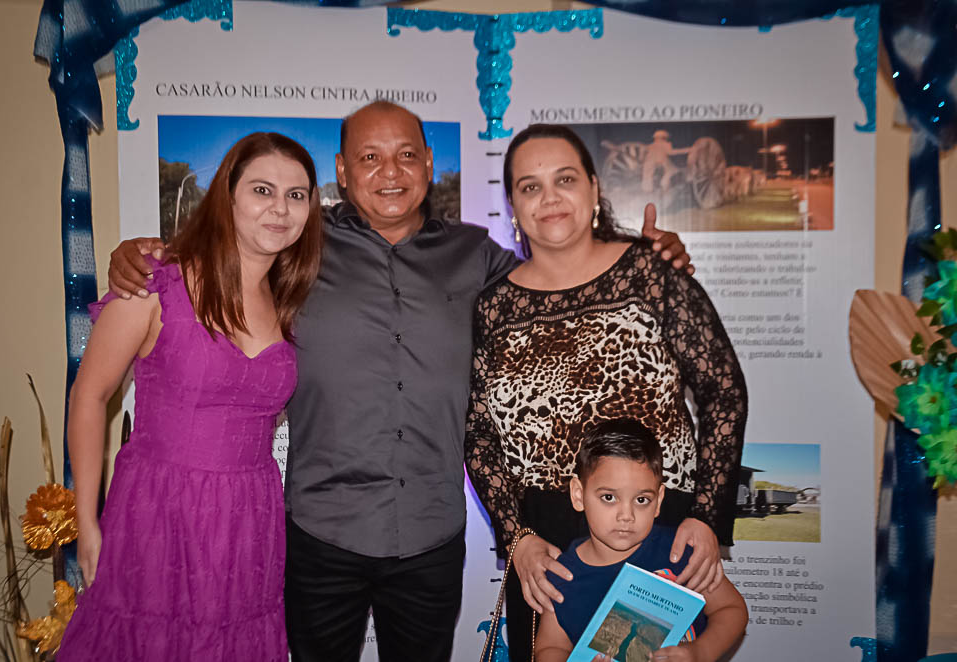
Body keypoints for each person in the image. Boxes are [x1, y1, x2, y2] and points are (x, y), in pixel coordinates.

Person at [107, 101, 691, 662]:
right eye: (370, 158)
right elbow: (218, 257)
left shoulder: (477, 255)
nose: (391, 172)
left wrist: (644, 256)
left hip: (430, 538)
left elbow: (569, 279)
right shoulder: (296, 246)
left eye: (407, 155)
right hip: (320, 533)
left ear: (430, 164)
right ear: (341, 170)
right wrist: (138, 254)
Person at [464, 123, 747, 661]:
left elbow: (723, 392)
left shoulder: (651, 273)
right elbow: (478, 433)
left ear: (594, 189)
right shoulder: (493, 307)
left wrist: (708, 519)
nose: (549, 198)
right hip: (545, 546)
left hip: (655, 524)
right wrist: (516, 538)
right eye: (529, 186)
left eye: (564, 179)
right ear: (513, 206)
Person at [58, 132, 324, 661]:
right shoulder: (157, 282)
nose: (280, 208)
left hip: (249, 517)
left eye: (296, 195)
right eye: (262, 190)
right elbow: (90, 395)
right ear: (227, 197)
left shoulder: (292, 298)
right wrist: (86, 520)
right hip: (159, 509)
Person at [534, 419, 748, 662]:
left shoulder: (679, 553)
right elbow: (549, 649)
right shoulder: (562, 574)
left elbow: (731, 610)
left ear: (658, 501)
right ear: (578, 494)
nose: (627, 515)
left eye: (642, 500)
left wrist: (700, 652)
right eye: (608, 497)